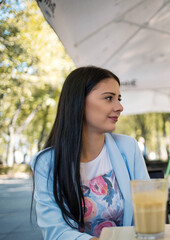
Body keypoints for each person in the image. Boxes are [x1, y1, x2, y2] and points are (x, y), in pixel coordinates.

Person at [31, 66, 150, 240]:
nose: (120, 107)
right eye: (109, 98)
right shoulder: (46, 162)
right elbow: (55, 231)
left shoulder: (129, 147)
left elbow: (146, 207)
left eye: (119, 98)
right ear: (78, 102)